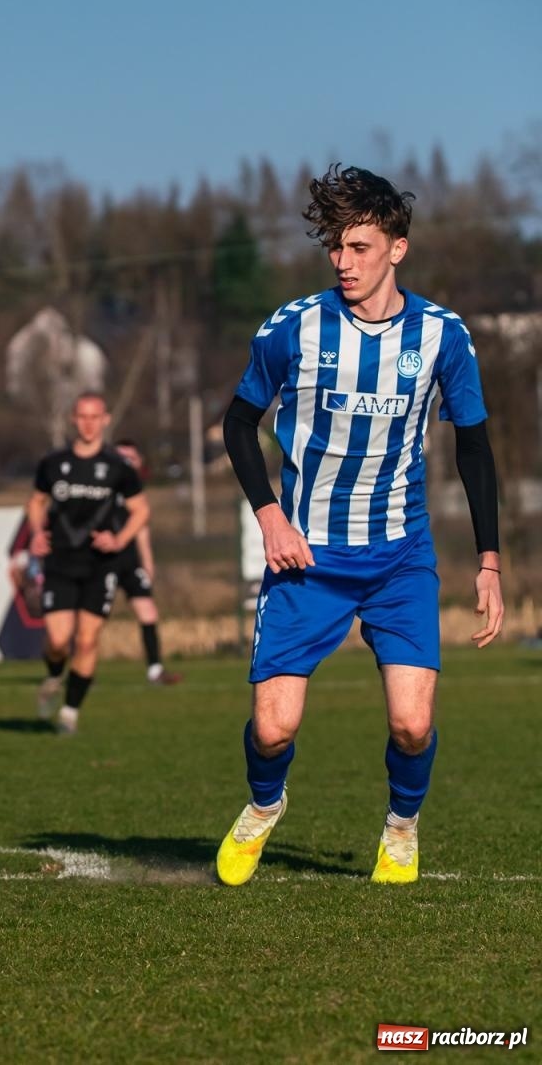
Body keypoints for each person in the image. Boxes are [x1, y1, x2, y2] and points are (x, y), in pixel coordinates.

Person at [216, 165, 502, 886]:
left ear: (398, 248)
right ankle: (263, 804)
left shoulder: (442, 336)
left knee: (412, 723)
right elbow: (239, 422)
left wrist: (490, 561)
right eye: (335, 248)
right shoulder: (294, 328)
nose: (344, 263)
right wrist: (270, 515)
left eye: (360, 247)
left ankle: (401, 826)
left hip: (399, 557)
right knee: (274, 726)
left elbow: (473, 444)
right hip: (305, 557)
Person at [26, 393, 149, 735]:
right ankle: (53, 673)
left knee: (87, 641)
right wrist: (37, 532)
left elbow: (141, 511)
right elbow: (36, 502)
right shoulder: (53, 463)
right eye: (83, 416)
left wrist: (120, 540)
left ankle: (69, 712)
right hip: (60, 561)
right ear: (73, 419)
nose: (89, 423)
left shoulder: (118, 467)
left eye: (95, 417)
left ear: (106, 420)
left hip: (101, 565)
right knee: (57, 639)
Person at [110, 440, 181, 685]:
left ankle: (155, 670)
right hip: (102, 559)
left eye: (131, 457)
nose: (126, 462)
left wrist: (147, 561)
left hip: (128, 560)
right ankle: (80, 671)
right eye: (121, 457)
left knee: (148, 611)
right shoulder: (101, 486)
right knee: (91, 619)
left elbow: (141, 528)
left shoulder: (135, 489)